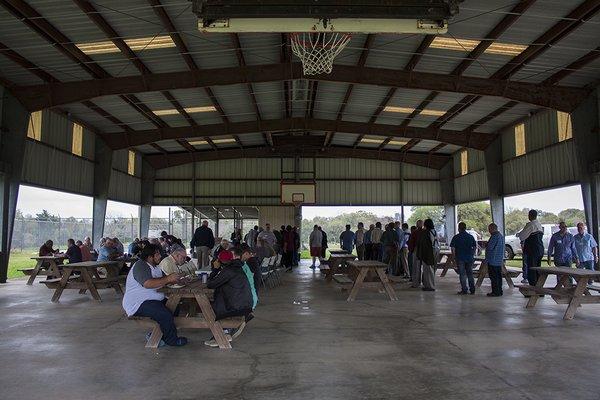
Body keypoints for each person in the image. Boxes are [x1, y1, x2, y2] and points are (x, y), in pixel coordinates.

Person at [122, 243, 187, 347]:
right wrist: (168, 279)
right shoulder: (141, 265)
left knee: (175, 306)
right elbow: (147, 283)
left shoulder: (156, 267)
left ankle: (157, 334)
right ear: (149, 256)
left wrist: (178, 280)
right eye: (157, 254)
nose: (160, 256)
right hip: (138, 303)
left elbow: (166, 280)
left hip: (152, 301)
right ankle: (171, 340)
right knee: (164, 314)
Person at [205, 246, 253, 347]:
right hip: (245, 304)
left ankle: (222, 333)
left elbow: (210, 284)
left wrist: (214, 270)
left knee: (208, 307)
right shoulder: (237, 267)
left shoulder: (228, 270)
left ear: (221, 261)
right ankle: (225, 331)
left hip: (238, 307)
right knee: (217, 299)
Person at [517, 210, 544, 286]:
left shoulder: (530, 225)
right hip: (540, 249)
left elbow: (522, 236)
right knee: (538, 269)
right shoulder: (539, 224)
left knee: (531, 270)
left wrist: (519, 234)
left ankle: (533, 288)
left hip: (532, 250)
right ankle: (539, 287)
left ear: (530, 216)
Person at [450, 222, 477, 295]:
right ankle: (472, 289)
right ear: (465, 228)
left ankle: (464, 289)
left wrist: (453, 258)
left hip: (460, 257)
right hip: (469, 257)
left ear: (459, 228)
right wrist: (472, 254)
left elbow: (453, 248)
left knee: (462, 274)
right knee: (470, 274)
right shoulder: (470, 237)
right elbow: (475, 246)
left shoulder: (456, 237)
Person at [416, 219, 437, 291]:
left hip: (427, 253)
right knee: (431, 269)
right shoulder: (434, 231)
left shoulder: (425, 232)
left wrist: (420, 254)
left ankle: (430, 286)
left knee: (427, 270)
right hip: (434, 251)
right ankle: (429, 285)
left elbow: (423, 244)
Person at [485, 223, 505, 297]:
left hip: (493, 259)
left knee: (493, 277)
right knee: (498, 277)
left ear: (492, 229)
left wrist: (487, 245)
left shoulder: (494, 236)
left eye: (489, 229)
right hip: (499, 260)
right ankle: (499, 290)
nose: (489, 231)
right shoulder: (500, 236)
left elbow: (490, 247)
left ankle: (495, 291)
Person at [408, 220, 424, 288]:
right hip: (424, 251)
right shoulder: (425, 232)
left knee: (416, 267)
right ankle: (424, 282)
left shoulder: (414, 232)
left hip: (416, 250)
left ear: (417, 225)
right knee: (424, 268)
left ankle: (416, 283)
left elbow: (411, 242)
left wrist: (411, 250)